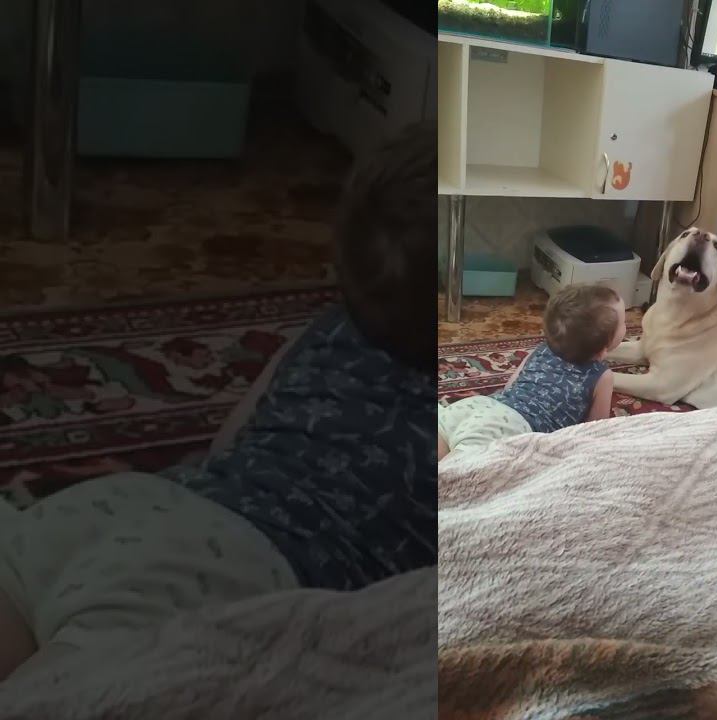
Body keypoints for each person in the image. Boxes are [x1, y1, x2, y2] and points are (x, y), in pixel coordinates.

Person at [0, 122, 438, 684]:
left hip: (137, 505)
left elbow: (229, 439)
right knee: (72, 693)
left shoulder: (327, 331)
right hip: (233, 575)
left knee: (20, 582)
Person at [438, 283, 626, 460]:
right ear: (603, 351)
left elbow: (511, 385)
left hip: (483, 405)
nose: (625, 326)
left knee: (441, 435)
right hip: (514, 427)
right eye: (623, 323)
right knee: (459, 471)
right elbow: (595, 429)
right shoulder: (602, 376)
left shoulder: (542, 349)